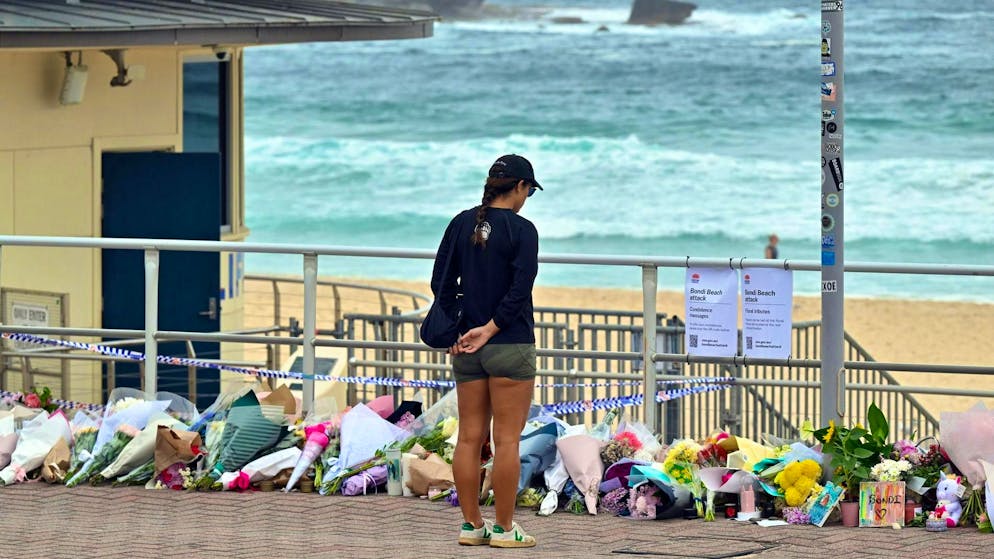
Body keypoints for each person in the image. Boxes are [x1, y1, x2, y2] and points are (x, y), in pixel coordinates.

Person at [429, 154, 542, 549]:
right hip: (509, 342)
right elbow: (519, 289)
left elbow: (439, 281)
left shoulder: (462, 223)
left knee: (468, 438)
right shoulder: (523, 230)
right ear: (520, 188)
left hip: (467, 346)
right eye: (528, 190)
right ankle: (505, 528)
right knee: (508, 440)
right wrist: (491, 328)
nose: (527, 197)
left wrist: (463, 330)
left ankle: (471, 525)